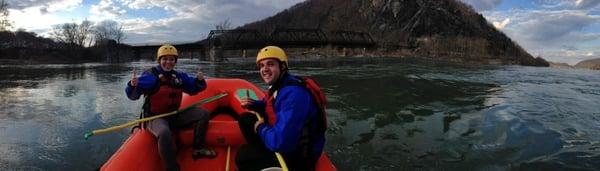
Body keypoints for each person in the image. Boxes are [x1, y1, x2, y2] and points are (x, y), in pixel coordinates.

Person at [125, 44, 216, 171]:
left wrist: (199, 81)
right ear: (159, 60)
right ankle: (172, 168)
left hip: (174, 115)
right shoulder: (151, 76)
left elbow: (193, 89)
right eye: (165, 59)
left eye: (171, 59)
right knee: (164, 132)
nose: (168, 62)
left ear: (175, 61)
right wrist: (132, 85)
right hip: (155, 118)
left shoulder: (179, 76)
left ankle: (198, 148)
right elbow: (133, 96)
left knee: (203, 114)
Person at [236, 46, 326, 171]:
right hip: (287, 140)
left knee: (243, 156)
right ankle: (261, 149)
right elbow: (270, 105)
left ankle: (262, 156)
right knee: (245, 119)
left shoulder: (294, 94)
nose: (264, 69)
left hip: (300, 156)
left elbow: (281, 142)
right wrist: (254, 104)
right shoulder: (281, 85)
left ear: (282, 66)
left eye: (270, 64)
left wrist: (261, 128)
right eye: (261, 66)